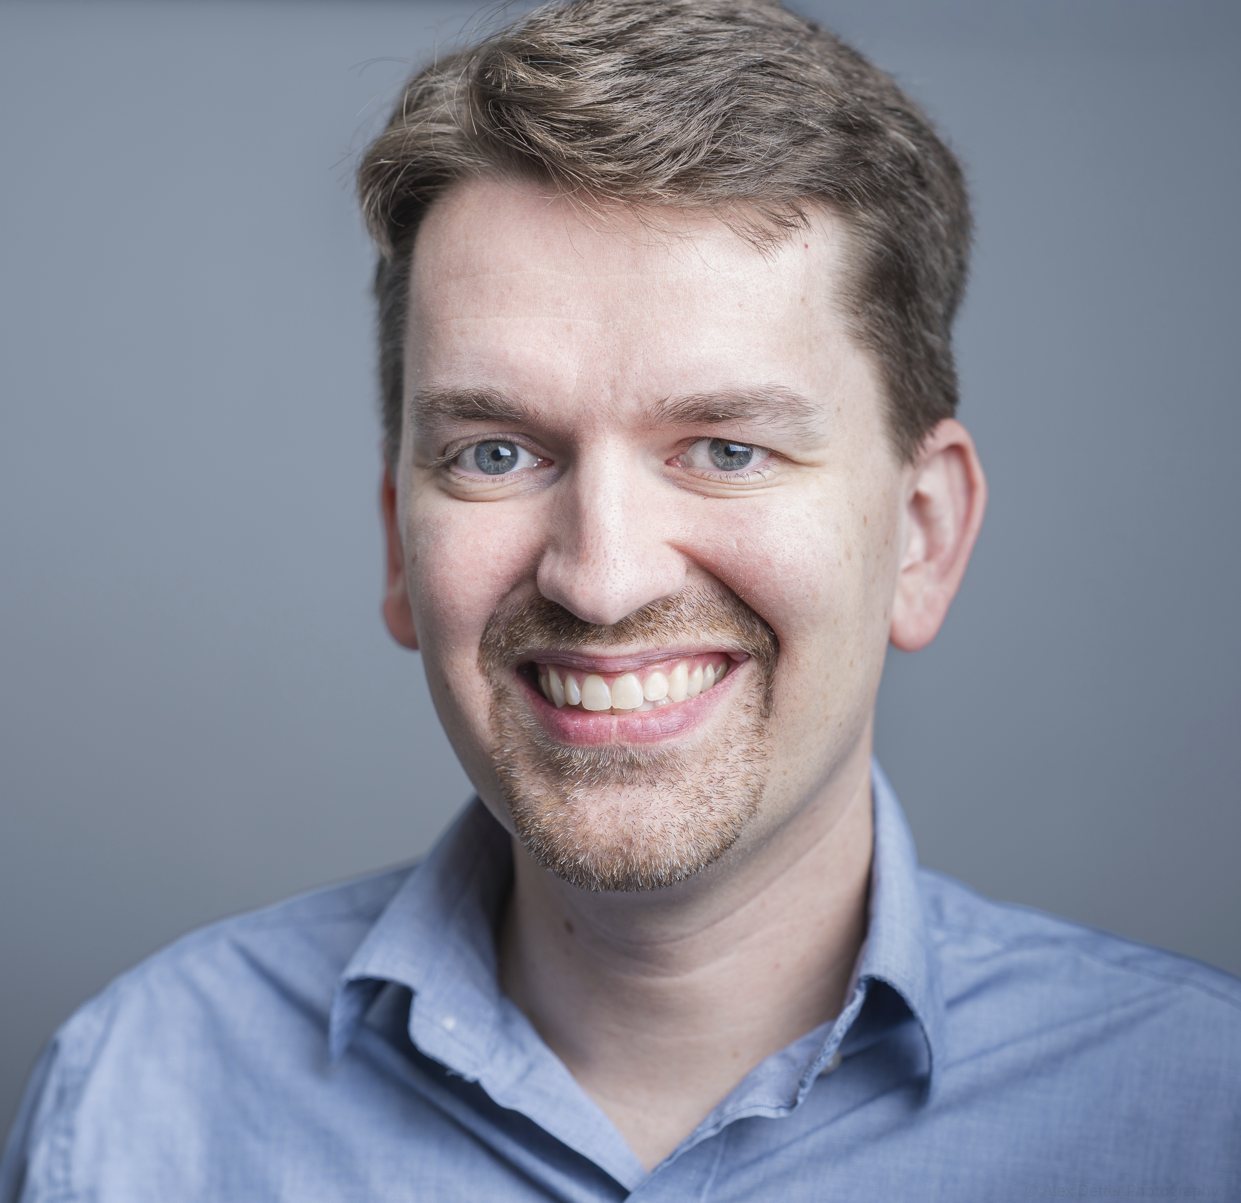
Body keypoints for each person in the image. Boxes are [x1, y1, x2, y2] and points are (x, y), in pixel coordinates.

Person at [3, 0, 1238, 1197]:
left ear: (921, 535)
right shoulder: (131, 1113)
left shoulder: (1204, 1119)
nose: (599, 580)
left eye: (726, 450)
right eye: (495, 453)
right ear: (396, 545)